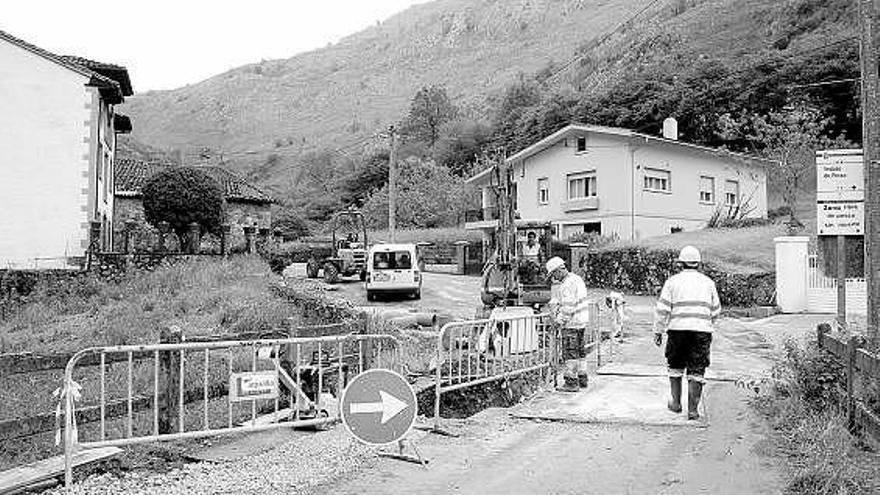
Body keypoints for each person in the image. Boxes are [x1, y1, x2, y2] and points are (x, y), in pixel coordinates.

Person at [653, 245, 721, 420]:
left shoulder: (672, 282)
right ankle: (692, 411)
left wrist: (658, 331)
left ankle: (676, 404)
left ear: (680, 264)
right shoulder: (708, 283)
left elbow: (662, 310)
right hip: (701, 332)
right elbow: (716, 310)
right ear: (698, 264)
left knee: (675, 367)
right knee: (697, 370)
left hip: (677, 331)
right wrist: (705, 323)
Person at [546, 256, 592, 392]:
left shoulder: (567, 284)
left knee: (570, 353)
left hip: (572, 323)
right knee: (580, 352)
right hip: (581, 321)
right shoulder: (576, 279)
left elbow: (568, 307)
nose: (554, 278)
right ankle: (582, 377)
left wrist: (558, 322)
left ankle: (571, 382)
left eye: (554, 274)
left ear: (559, 270)